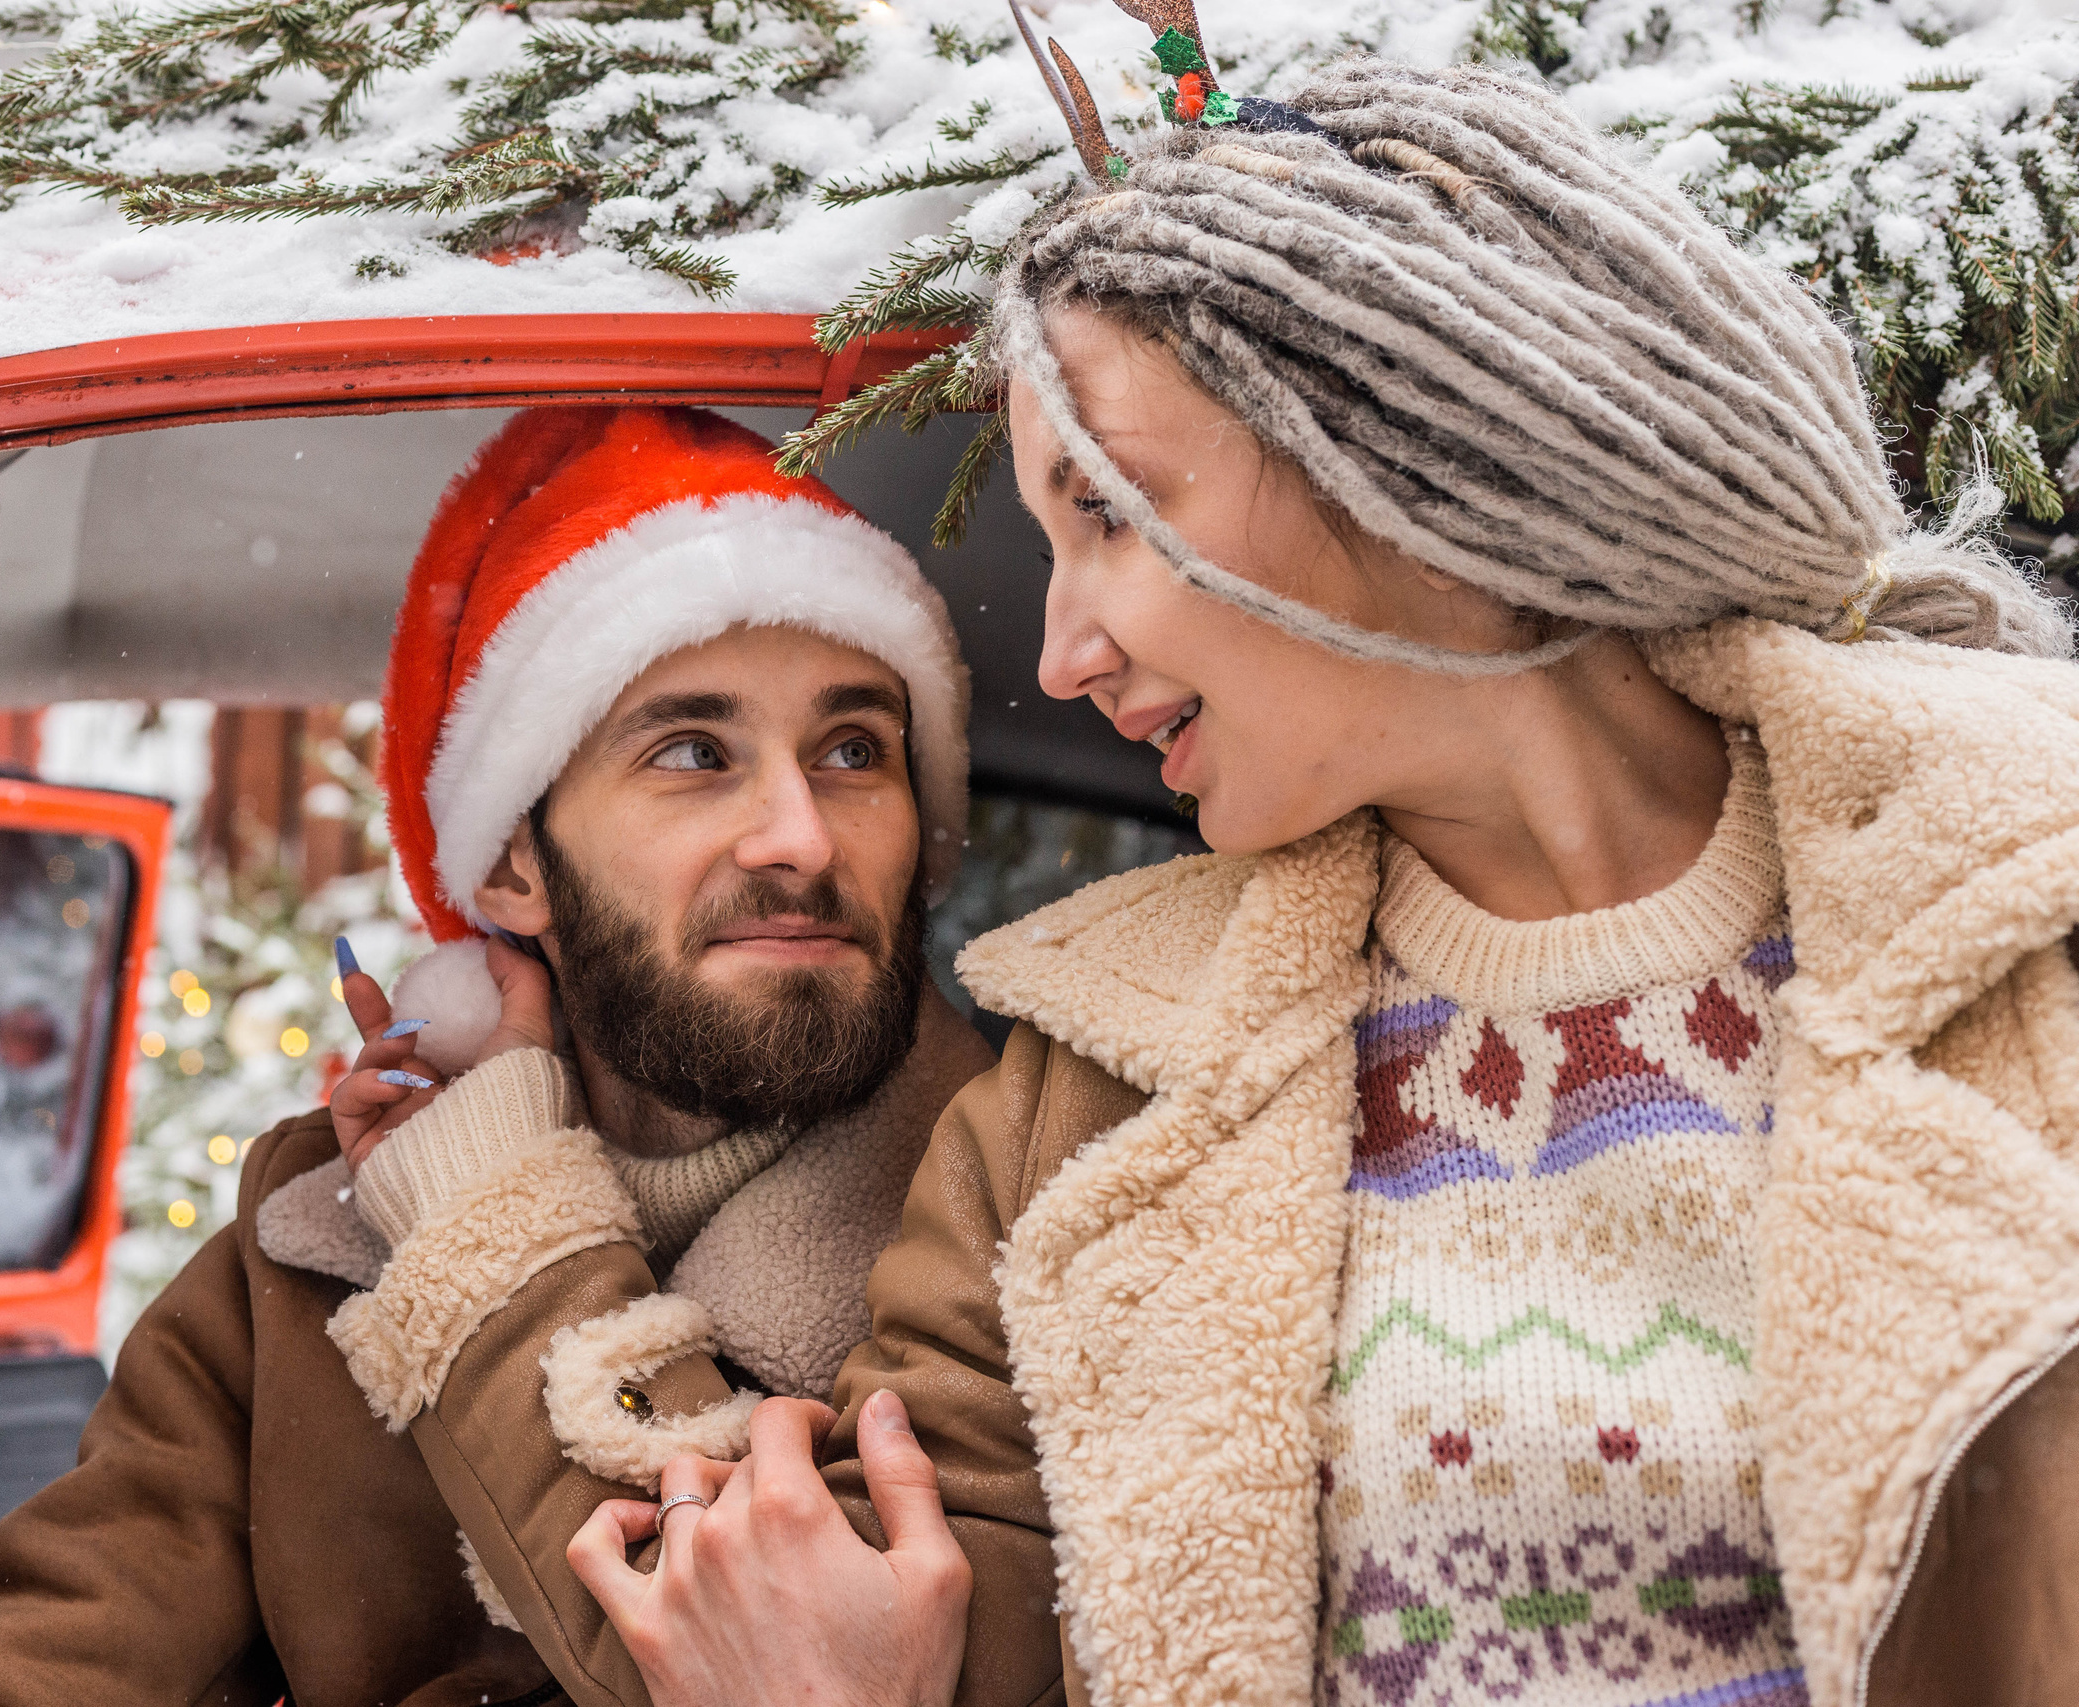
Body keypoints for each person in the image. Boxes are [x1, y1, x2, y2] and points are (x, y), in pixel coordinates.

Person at [568, 52, 2079, 1707]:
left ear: (1392, 443)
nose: (1065, 650)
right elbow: (887, 1607)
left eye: (1110, 511)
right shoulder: (1086, 1104)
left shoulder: (2026, 914)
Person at [0, 404, 999, 1707]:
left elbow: (758, 1653)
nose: (799, 833)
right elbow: (40, 1657)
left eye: (855, 750)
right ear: (514, 863)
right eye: (694, 752)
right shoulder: (313, 1252)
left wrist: (485, 1218)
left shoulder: (1038, 1214)